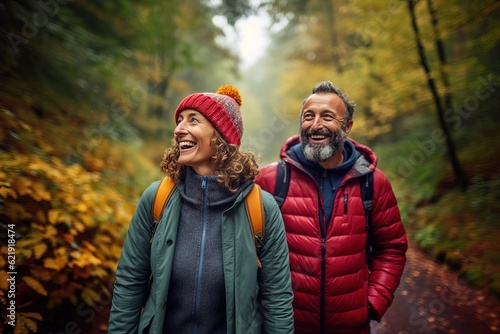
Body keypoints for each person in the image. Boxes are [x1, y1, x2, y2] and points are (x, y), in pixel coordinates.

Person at [108, 85, 294, 334]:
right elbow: (130, 283)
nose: (178, 129)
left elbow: (277, 298)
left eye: (193, 120)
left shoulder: (261, 208)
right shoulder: (157, 198)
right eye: (180, 121)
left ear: (220, 136)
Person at [255, 81, 407, 334]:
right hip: (284, 327)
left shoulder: (373, 182)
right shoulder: (270, 180)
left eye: (327, 116)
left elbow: (392, 248)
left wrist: (372, 303)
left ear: (347, 127)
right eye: (308, 116)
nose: (315, 125)